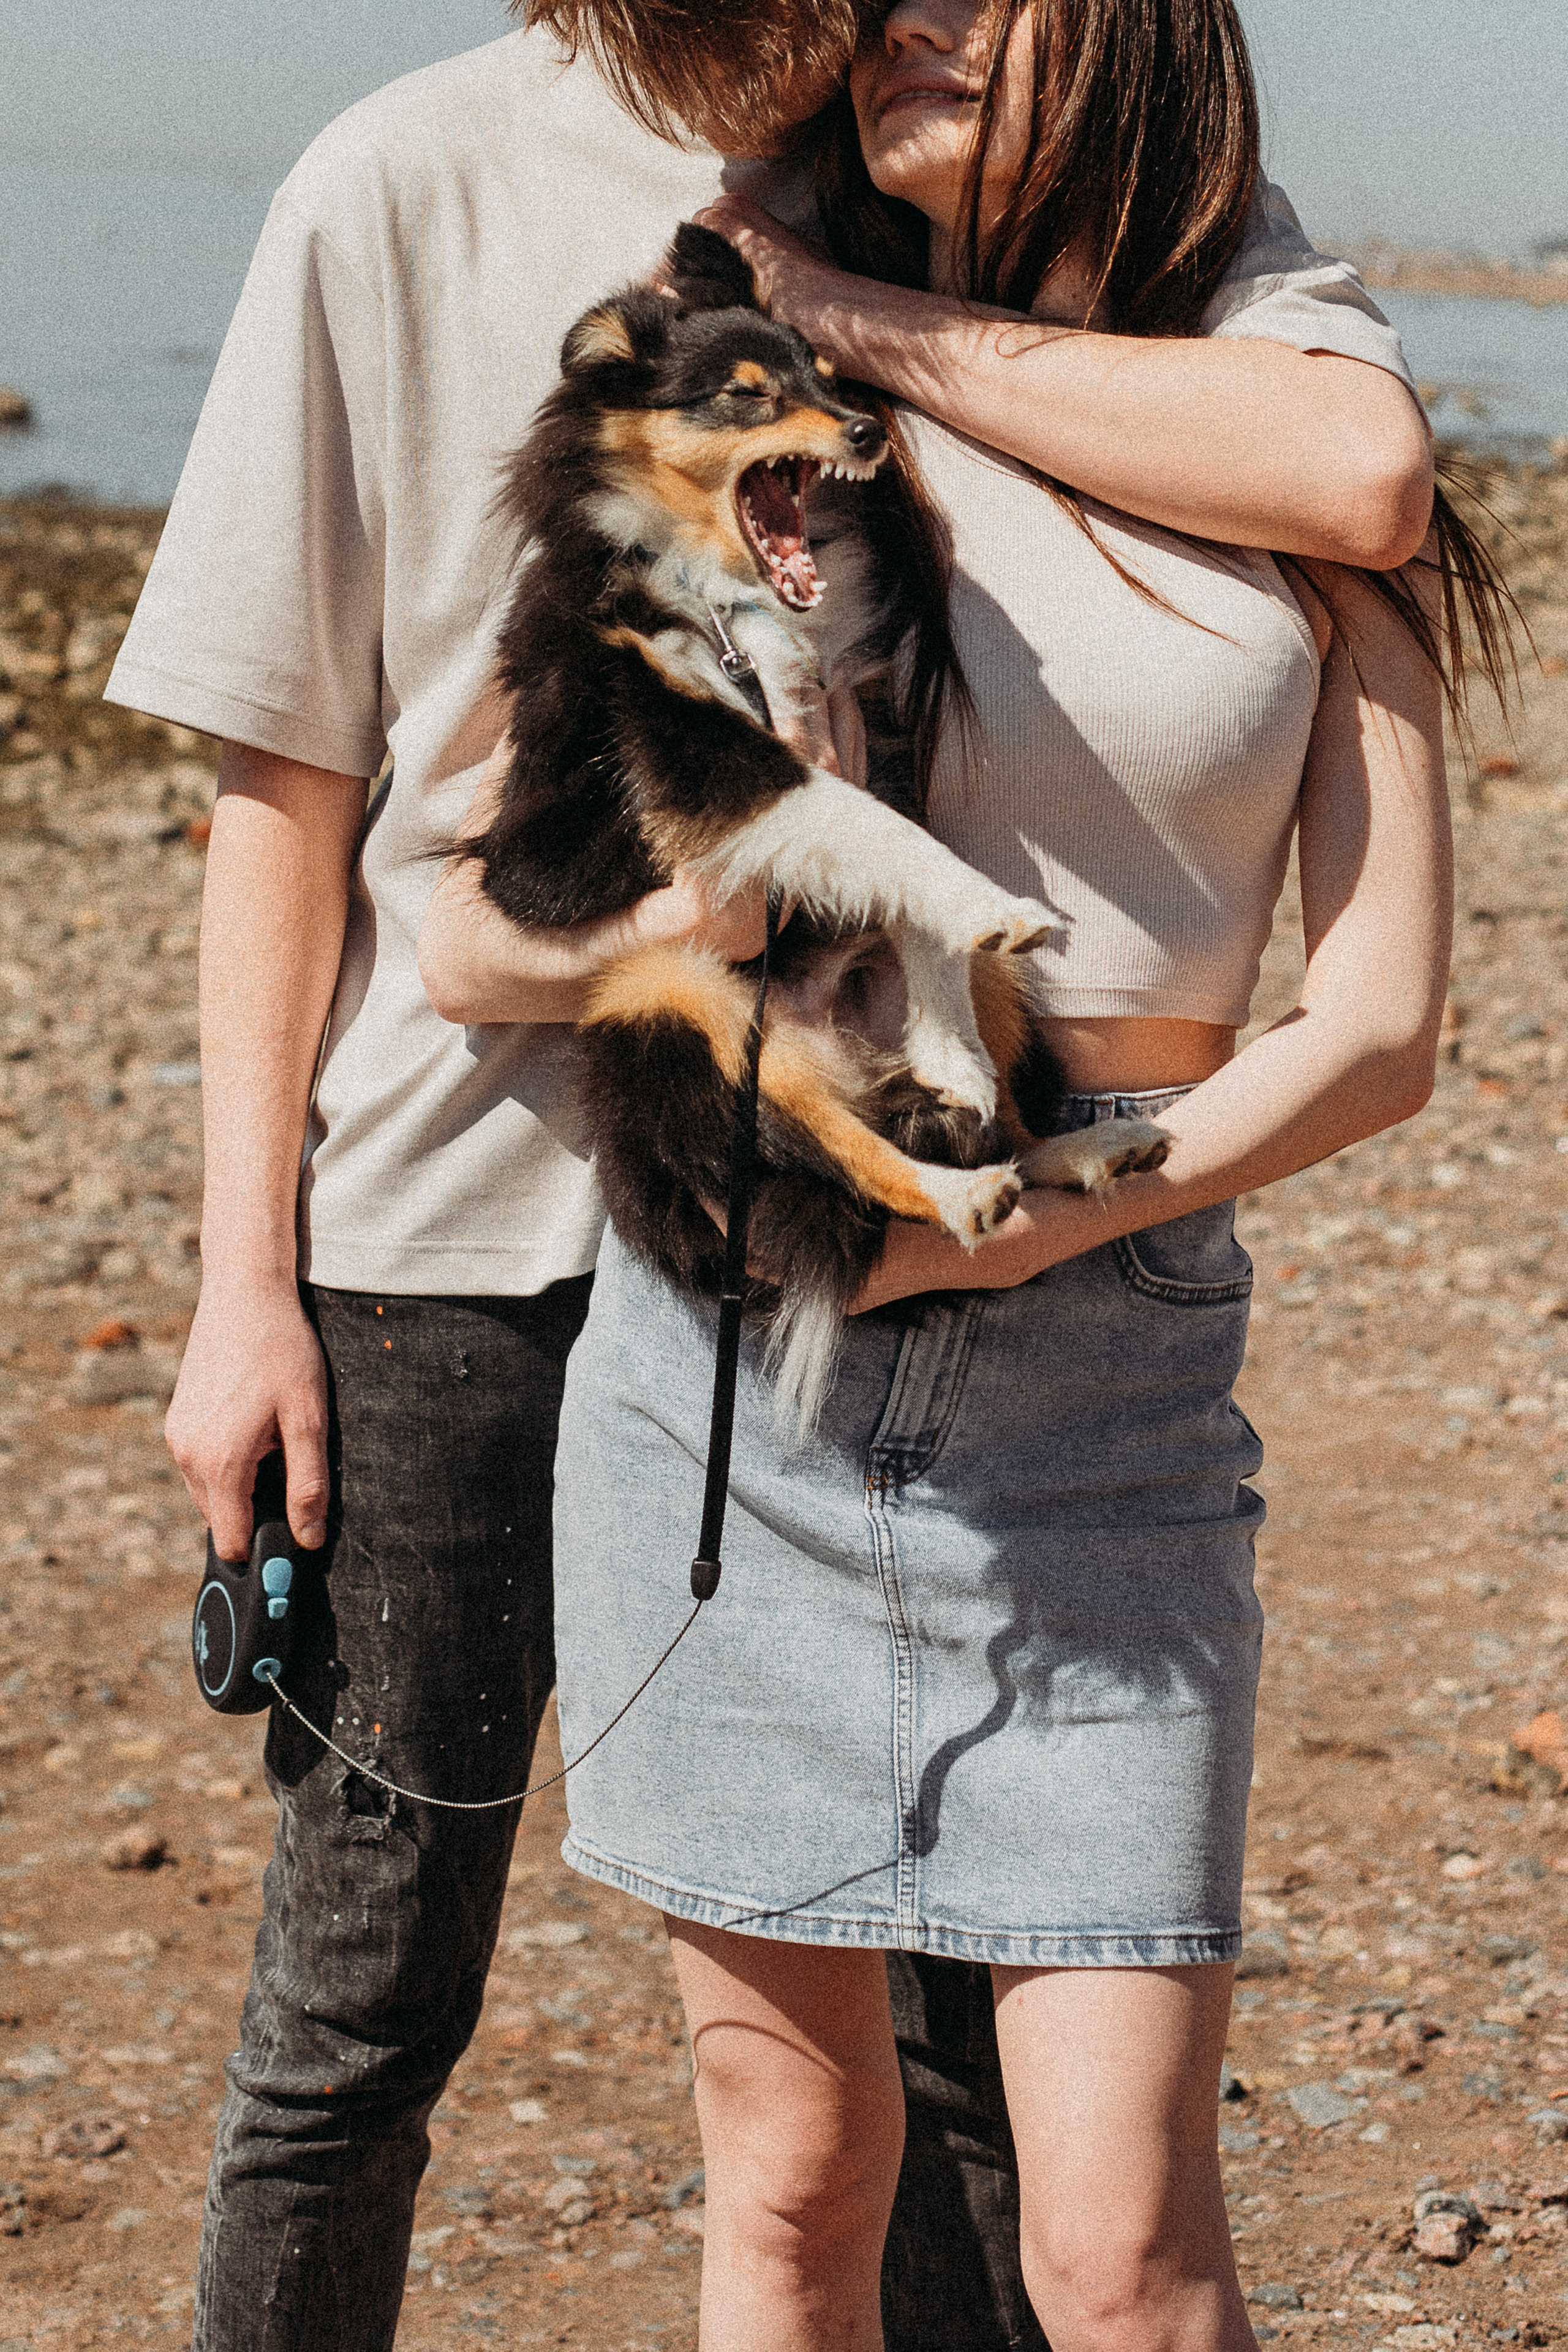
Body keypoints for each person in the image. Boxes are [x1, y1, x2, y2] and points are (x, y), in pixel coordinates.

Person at [102, 0, 1445, 2343]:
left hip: (862, 1240)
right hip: (460, 1228)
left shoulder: (902, 180)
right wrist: (245, 1283)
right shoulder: (401, 175)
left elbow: (1347, 482)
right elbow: (306, 798)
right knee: (373, 2009)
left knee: (970, 2127)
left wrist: (846, 306)